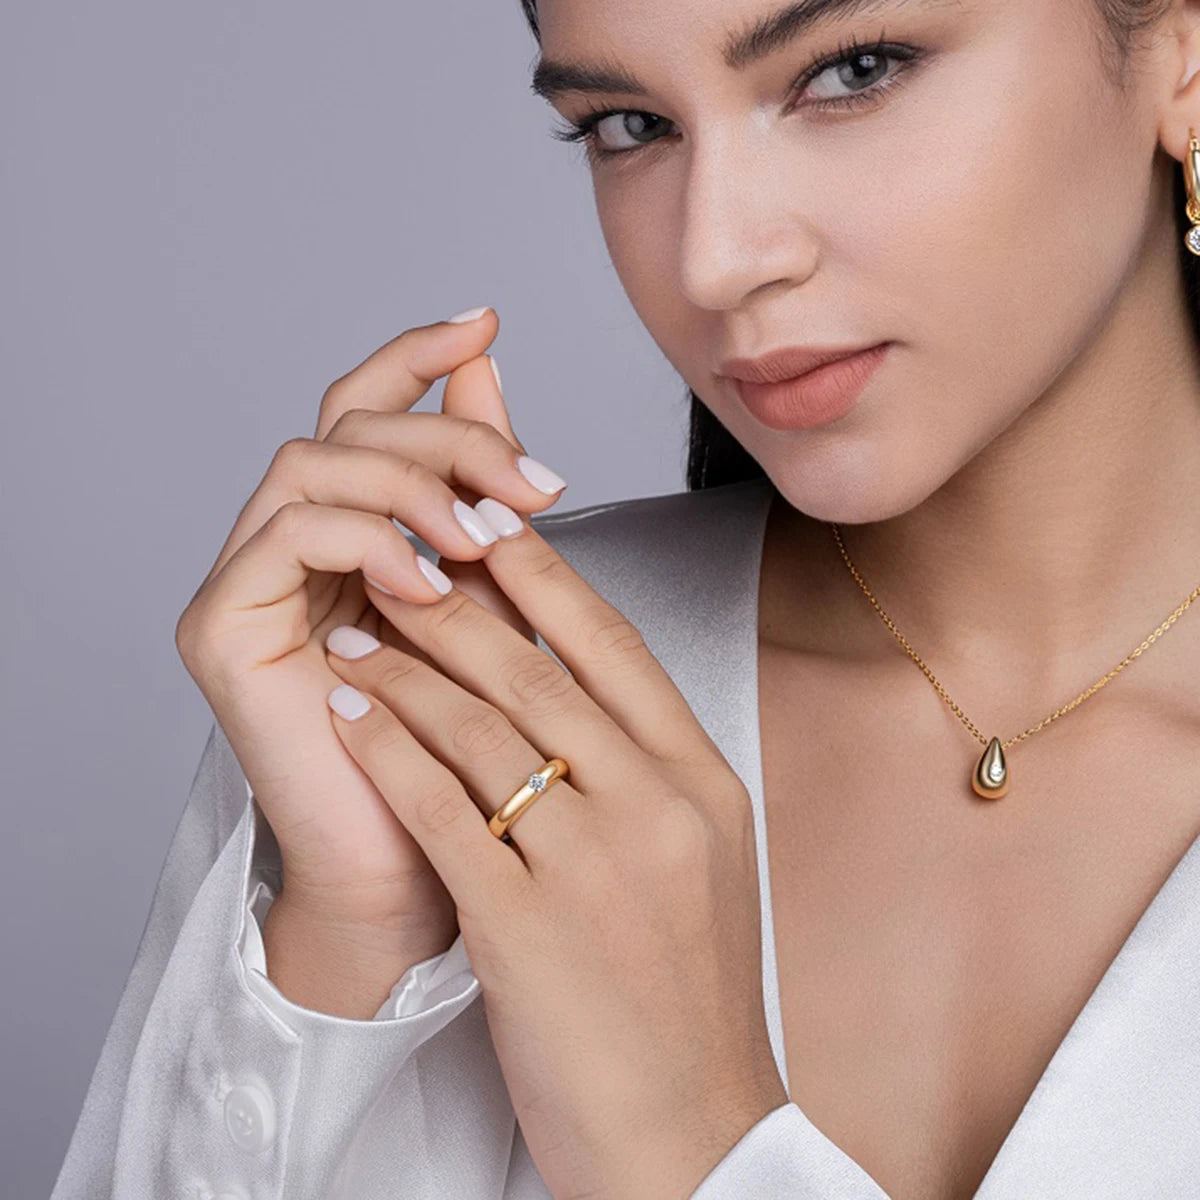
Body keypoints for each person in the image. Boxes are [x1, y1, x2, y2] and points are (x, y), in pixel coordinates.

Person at [51, 0, 1200, 1197]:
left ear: (1183, 51)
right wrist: (355, 948)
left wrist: (694, 1144)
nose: (715, 260)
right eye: (630, 125)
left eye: (854, 70)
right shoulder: (441, 693)